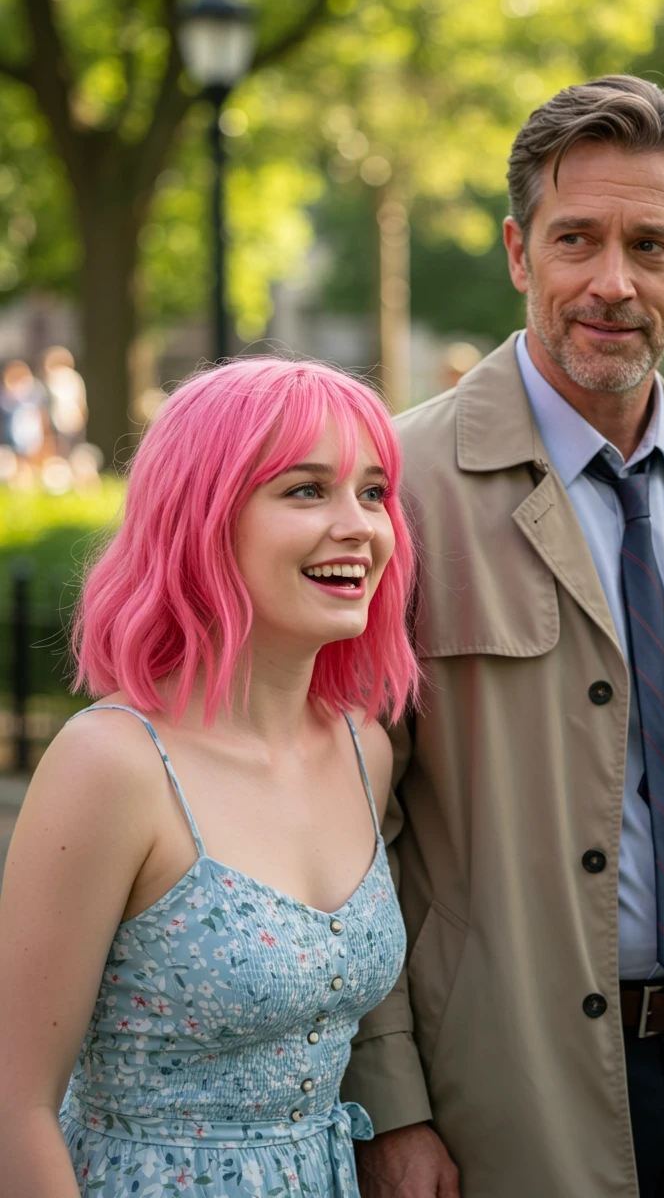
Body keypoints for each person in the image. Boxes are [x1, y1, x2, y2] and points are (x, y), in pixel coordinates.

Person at [344, 76, 664, 1198]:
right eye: (574, 238)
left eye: (650, 244)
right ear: (518, 252)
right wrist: (389, 1100)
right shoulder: (396, 486)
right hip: (500, 1088)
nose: (611, 283)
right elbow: (344, 826)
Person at [0, 357, 419, 1197]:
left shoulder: (363, 748)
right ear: (204, 519)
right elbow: (15, 1108)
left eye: (373, 493)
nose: (360, 527)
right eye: (306, 491)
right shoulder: (112, 765)